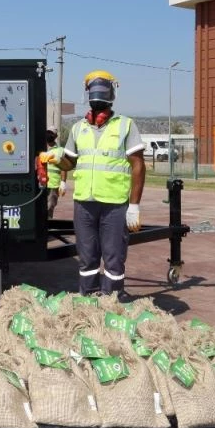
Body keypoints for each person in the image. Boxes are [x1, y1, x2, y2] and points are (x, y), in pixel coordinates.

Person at [41, 70, 145, 298]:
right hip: (84, 204)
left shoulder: (125, 125)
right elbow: (70, 163)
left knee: (113, 256)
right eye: (94, 88)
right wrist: (56, 159)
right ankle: (88, 296)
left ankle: (112, 299)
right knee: (87, 255)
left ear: (112, 93)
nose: (98, 93)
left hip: (114, 204)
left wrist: (134, 206)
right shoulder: (79, 128)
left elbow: (138, 165)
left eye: (103, 88)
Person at [45, 125, 67, 219]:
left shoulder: (60, 151)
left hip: (53, 184)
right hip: (40, 183)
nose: (49, 135)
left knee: (50, 206)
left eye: (52, 133)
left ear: (56, 136)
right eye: (48, 132)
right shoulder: (40, 148)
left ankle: (48, 224)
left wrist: (63, 182)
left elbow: (64, 167)